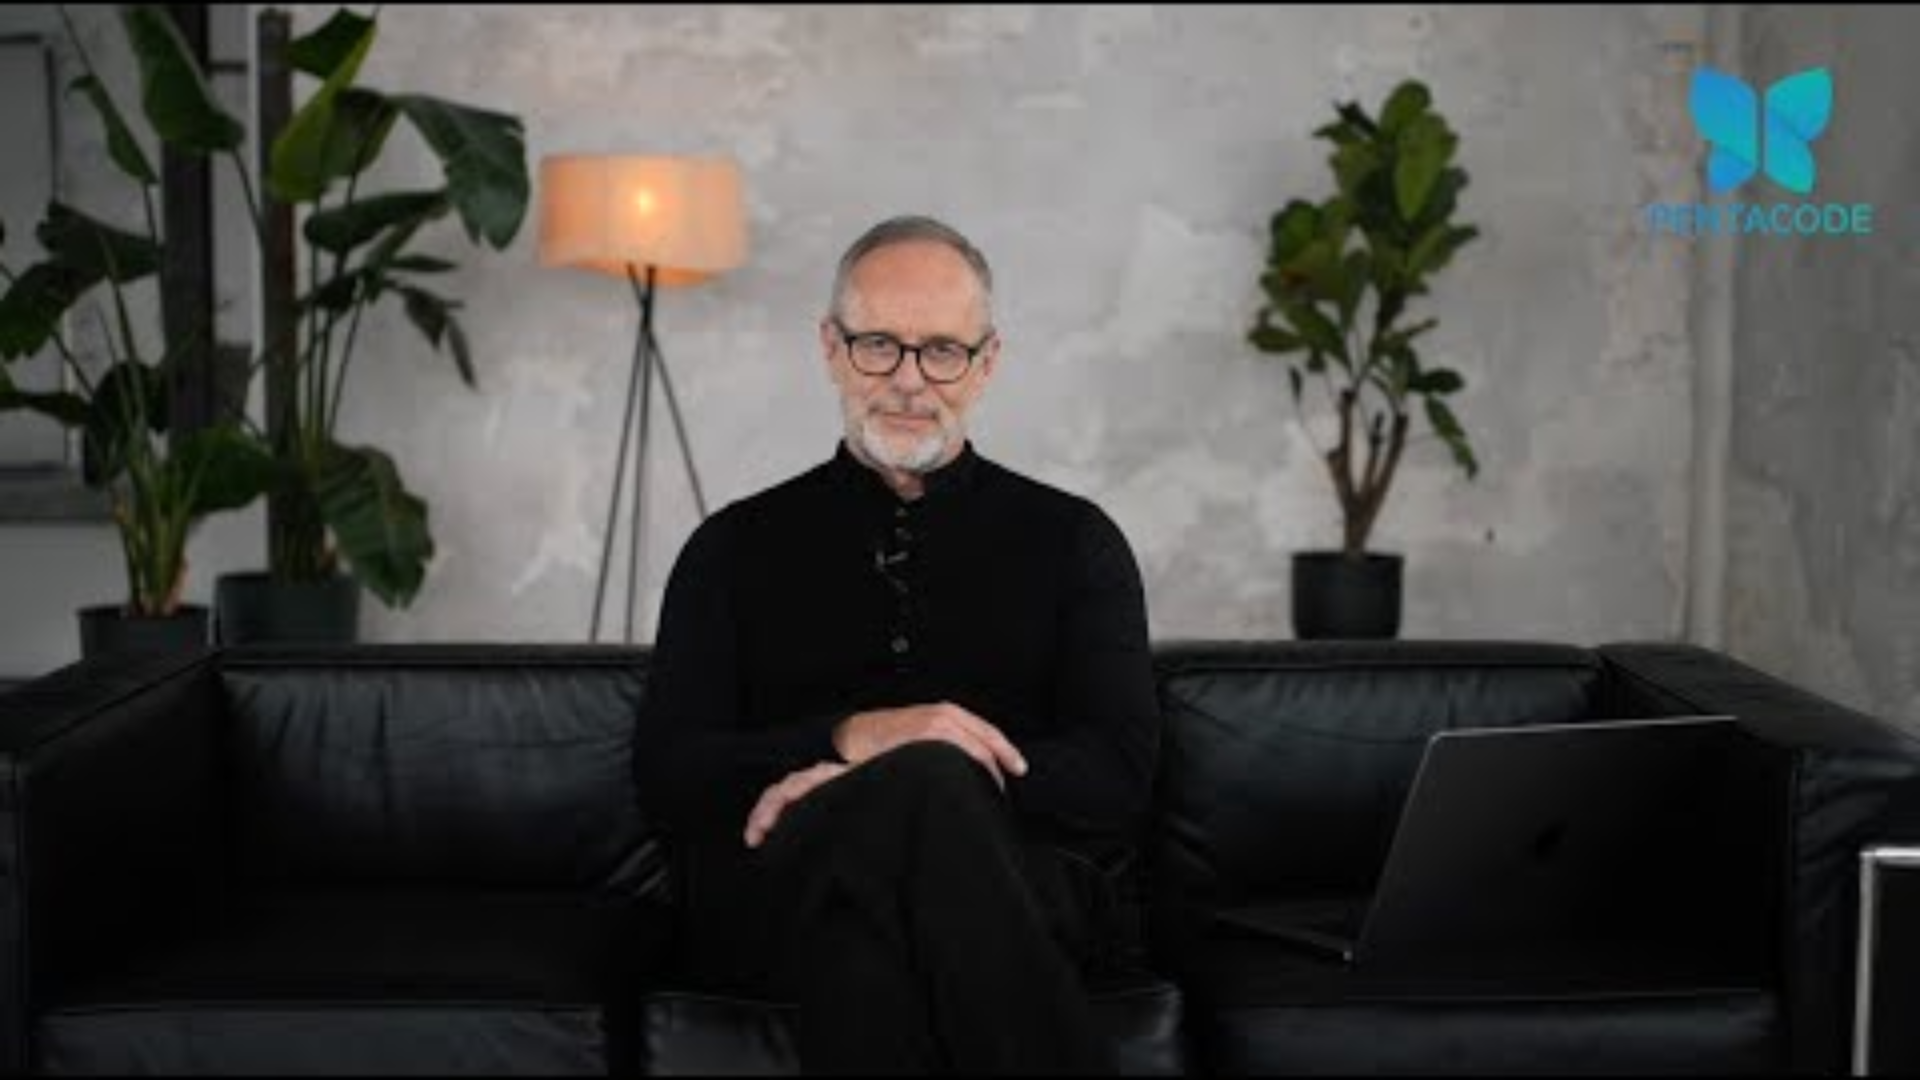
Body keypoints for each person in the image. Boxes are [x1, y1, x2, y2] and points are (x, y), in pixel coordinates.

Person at [634, 214, 1160, 1075]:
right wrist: (853, 737)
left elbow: (1118, 775)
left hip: (1026, 885)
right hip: (781, 884)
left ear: (986, 363)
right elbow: (671, 775)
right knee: (905, 807)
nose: (910, 380)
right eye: (879, 345)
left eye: (943, 351)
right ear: (831, 350)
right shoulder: (730, 547)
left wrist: (896, 778)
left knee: (869, 919)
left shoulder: (1076, 540)